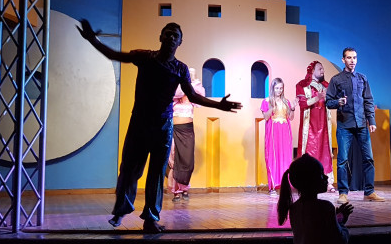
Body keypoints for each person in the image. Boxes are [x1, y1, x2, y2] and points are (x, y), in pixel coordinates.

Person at [77, 20, 242, 233]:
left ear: (180, 42)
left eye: (175, 35)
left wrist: (219, 105)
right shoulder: (145, 57)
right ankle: (121, 210)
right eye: (168, 33)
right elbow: (114, 55)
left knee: (156, 174)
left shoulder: (180, 68)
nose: (171, 37)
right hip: (139, 123)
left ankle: (151, 218)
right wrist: (92, 39)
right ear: (160, 37)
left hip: (163, 127)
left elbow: (192, 96)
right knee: (129, 169)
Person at [262, 154, 377, 244]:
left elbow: (313, 230)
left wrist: (336, 218)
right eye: (321, 175)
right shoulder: (325, 207)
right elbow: (339, 241)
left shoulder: (294, 208)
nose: (326, 178)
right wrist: (341, 222)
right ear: (310, 181)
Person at [326, 47, 385, 204]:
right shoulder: (336, 80)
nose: (352, 60)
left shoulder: (362, 78)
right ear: (343, 60)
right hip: (345, 125)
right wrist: (338, 102)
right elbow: (328, 101)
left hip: (362, 124)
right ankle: (343, 193)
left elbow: (368, 100)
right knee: (342, 160)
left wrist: (371, 121)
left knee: (368, 159)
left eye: (354, 58)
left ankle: (369, 191)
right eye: (349, 58)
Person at [296, 60, 335, 193]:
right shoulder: (302, 85)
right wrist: (317, 98)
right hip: (310, 126)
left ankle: (327, 182)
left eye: (323, 69)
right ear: (312, 71)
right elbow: (302, 103)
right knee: (309, 152)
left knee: (325, 152)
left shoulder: (326, 85)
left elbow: (331, 101)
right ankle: (307, 181)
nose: (323, 71)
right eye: (320, 69)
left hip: (323, 125)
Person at [166, 67, 205, 202]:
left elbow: (200, 96)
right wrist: (183, 84)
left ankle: (184, 188)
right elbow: (174, 92)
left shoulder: (193, 91)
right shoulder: (175, 90)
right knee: (174, 159)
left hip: (187, 130)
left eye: (191, 75)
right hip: (174, 129)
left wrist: (191, 84)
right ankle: (176, 191)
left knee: (187, 161)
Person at [261, 77, 295, 195]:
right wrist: (272, 107)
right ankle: (273, 187)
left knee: (285, 158)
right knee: (273, 157)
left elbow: (290, 117)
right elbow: (266, 117)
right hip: (273, 132)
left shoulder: (286, 101)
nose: (279, 91)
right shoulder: (266, 101)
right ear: (272, 88)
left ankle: (285, 185)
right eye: (277, 88)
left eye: (281, 88)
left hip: (285, 131)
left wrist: (293, 109)